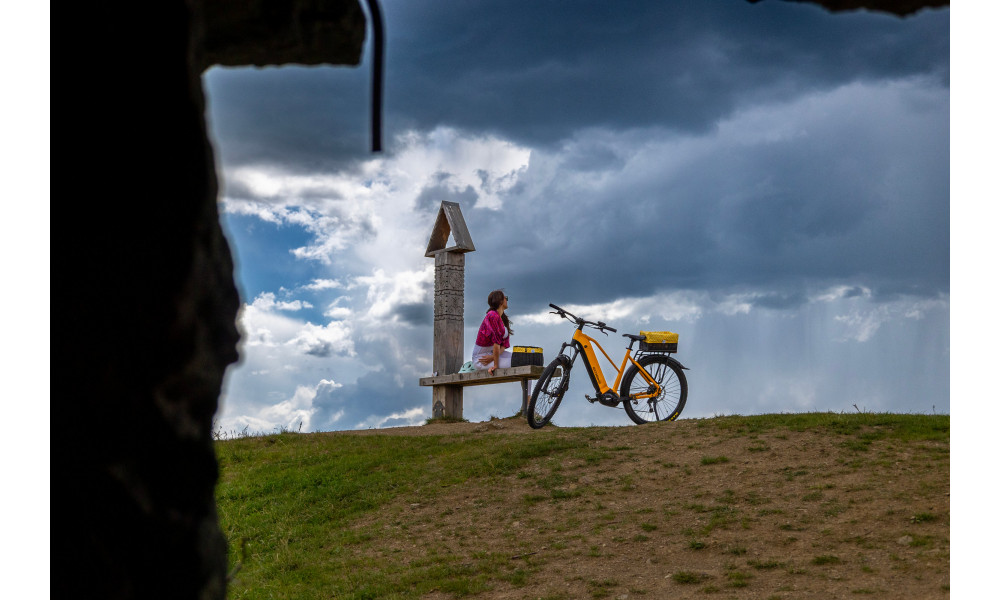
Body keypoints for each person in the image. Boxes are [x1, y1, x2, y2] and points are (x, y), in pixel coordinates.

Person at [472, 290, 513, 375]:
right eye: (506, 298)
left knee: (525, 358)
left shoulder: (503, 319)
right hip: (482, 359)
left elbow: (503, 346)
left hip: (493, 355)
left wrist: (493, 357)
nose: (507, 300)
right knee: (519, 362)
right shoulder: (492, 315)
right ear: (501, 301)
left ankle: (530, 389)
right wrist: (495, 366)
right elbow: (496, 343)